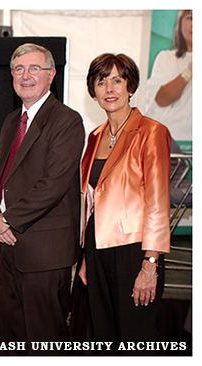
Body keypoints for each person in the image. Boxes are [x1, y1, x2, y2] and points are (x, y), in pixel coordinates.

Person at [0, 43, 84, 355]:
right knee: (11, 337)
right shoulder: (12, 121)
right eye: (19, 69)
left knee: (44, 341)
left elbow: (53, 185)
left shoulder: (67, 120)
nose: (25, 76)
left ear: (52, 75)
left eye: (34, 68)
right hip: (6, 248)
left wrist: (7, 219)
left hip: (44, 253)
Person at [78, 53, 171, 355]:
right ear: (93, 92)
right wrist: (84, 257)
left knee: (137, 338)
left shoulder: (151, 131)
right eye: (101, 81)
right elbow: (91, 200)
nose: (109, 88)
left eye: (117, 80)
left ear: (130, 86)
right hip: (96, 248)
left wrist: (151, 264)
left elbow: (157, 202)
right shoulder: (94, 137)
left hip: (136, 249)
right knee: (104, 336)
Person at [146, 10, 192, 142]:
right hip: (173, 141)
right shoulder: (167, 58)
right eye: (190, 18)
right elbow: (160, 100)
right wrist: (187, 72)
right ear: (180, 23)